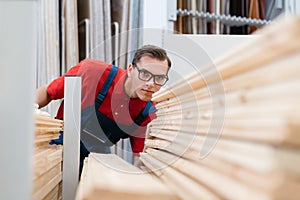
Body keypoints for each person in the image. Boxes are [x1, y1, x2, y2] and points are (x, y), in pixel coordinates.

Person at [36, 45, 171, 170]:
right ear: (130, 69)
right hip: (60, 145)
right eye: (145, 74)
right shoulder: (92, 72)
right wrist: (29, 112)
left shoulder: (147, 112)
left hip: (95, 158)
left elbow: (139, 157)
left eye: (159, 78)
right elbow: (48, 92)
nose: (151, 84)